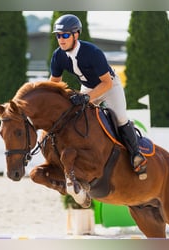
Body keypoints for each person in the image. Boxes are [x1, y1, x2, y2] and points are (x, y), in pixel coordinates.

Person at [49, 14, 147, 180]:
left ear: (76, 35)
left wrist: (87, 98)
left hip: (109, 86)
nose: (61, 39)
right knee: (73, 116)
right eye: (58, 35)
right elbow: (54, 84)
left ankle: (136, 156)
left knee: (121, 118)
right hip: (88, 87)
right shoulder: (58, 56)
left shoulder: (92, 52)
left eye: (65, 35)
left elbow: (106, 84)